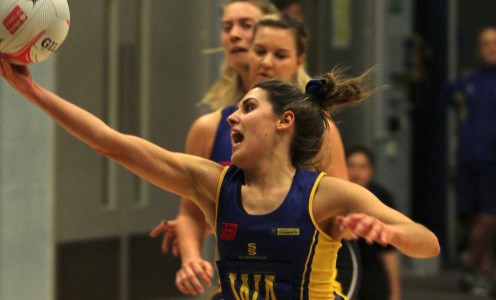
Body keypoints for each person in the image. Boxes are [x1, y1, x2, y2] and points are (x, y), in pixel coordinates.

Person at [0, 56, 440, 299]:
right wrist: (32, 91)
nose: (233, 115)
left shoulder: (324, 195)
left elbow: (427, 241)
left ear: (284, 122)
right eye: (236, 107)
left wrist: (389, 231)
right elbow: (111, 143)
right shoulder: (212, 183)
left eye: (249, 107)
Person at [150, 12, 356, 298]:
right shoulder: (210, 127)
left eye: (280, 54)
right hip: (243, 282)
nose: (267, 62)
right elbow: (192, 213)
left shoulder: (320, 130)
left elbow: (343, 212)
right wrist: (191, 258)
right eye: (259, 51)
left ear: (299, 61)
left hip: (310, 283)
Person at [447, 26, 496, 296]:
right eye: (486, 43)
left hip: (493, 162)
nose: (491, 48)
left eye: (495, 43)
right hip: (467, 158)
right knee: (474, 217)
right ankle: (484, 274)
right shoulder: (468, 82)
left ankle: (469, 265)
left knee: (489, 218)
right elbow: (448, 98)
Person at [346, 146, 401, 300]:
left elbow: (388, 250)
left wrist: (395, 293)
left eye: (362, 167)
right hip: (339, 265)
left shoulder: (381, 197)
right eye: (351, 166)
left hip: (371, 266)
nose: (356, 172)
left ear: (371, 170)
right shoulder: (334, 195)